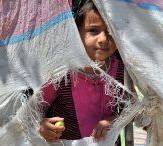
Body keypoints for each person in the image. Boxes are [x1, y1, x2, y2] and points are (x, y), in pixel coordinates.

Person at [39, 0, 124, 143]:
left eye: (111, 31)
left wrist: (112, 121)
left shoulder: (120, 70)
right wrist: (41, 125)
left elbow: (130, 108)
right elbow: (36, 108)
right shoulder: (62, 73)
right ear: (76, 33)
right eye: (93, 30)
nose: (103, 39)